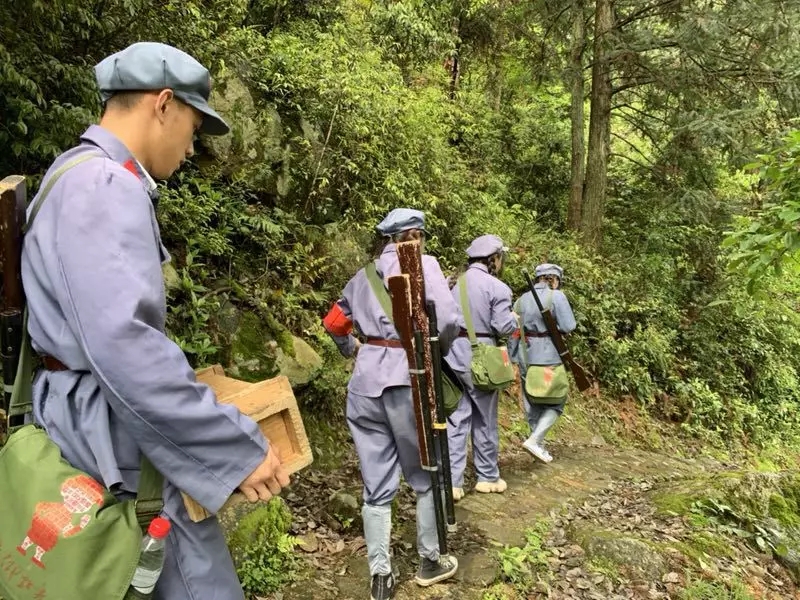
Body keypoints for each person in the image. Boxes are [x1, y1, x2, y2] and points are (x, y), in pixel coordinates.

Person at [20, 42, 289, 599]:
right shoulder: (105, 186)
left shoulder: (69, 173)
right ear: (163, 104)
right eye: (193, 126)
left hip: (79, 414)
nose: (191, 148)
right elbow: (124, 347)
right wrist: (235, 449)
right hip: (113, 435)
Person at [322, 208, 461, 600]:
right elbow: (448, 321)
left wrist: (351, 347)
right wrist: (435, 354)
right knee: (424, 476)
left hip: (364, 384)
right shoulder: (423, 265)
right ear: (414, 236)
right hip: (409, 379)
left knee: (376, 484)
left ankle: (380, 576)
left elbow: (333, 321)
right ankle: (429, 561)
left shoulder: (364, 275)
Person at [444, 235, 517, 500]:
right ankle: (487, 476)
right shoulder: (497, 288)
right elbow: (502, 326)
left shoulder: (453, 284)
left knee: (456, 419)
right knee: (485, 418)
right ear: (493, 259)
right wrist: (514, 321)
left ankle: (452, 482)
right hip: (483, 358)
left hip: (453, 356)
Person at [509, 263, 576, 463]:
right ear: (554, 279)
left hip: (525, 356)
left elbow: (514, 332)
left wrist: (513, 357)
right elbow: (568, 325)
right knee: (557, 401)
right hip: (550, 356)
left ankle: (537, 444)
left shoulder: (520, 301)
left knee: (532, 400)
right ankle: (536, 440)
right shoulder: (557, 296)